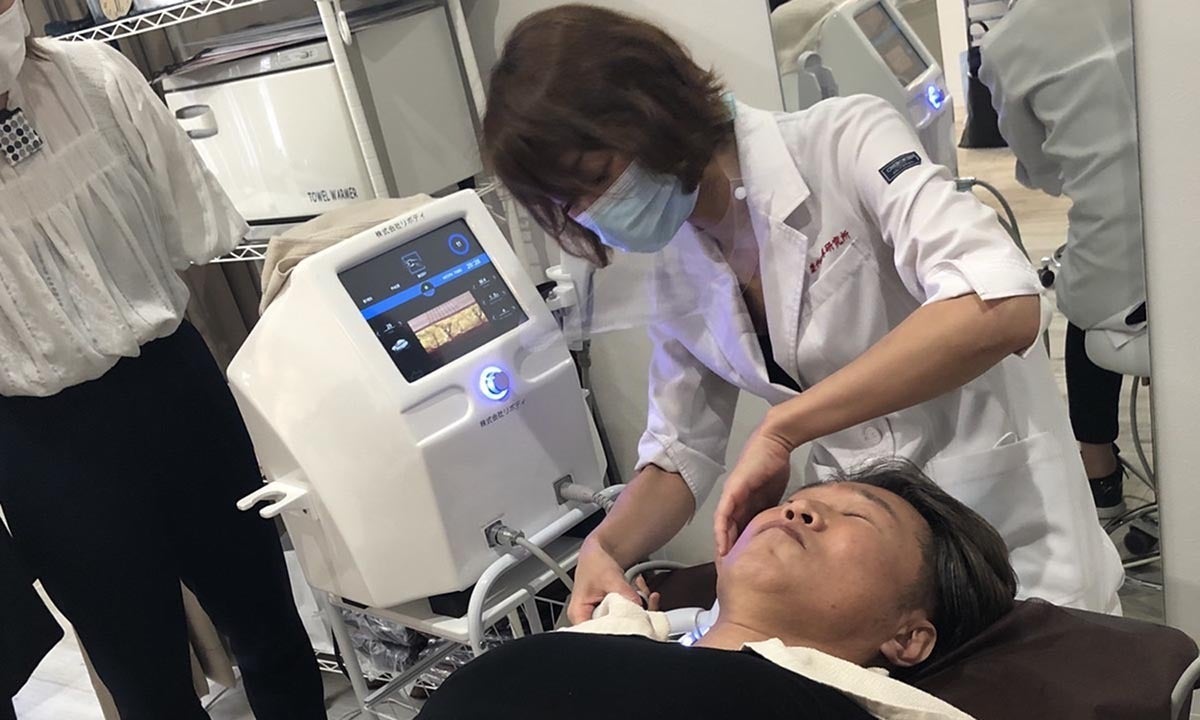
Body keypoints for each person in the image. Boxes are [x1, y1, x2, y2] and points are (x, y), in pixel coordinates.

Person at [481, 4, 1123, 624]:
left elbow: (1001, 305)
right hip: (864, 576)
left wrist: (785, 427)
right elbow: (680, 448)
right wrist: (606, 547)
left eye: (596, 177)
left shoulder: (844, 141)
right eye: (569, 204)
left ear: (652, 110)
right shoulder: (678, 259)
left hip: (1008, 529)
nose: (592, 212)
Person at [0, 6, 326, 719]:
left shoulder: (94, 77)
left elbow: (191, 227)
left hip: (172, 385)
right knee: (145, 679)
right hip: (40, 441)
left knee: (268, 625)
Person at [415, 462, 1017, 719]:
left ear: (908, 638)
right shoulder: (578, 649)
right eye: (796, 501)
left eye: (856, 517)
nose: (797, 511)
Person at [979, 0, 1145, 520]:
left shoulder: (1006, 46)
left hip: (1121, 283)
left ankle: (1099, 473)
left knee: (1082, 303)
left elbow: (1044, 174)